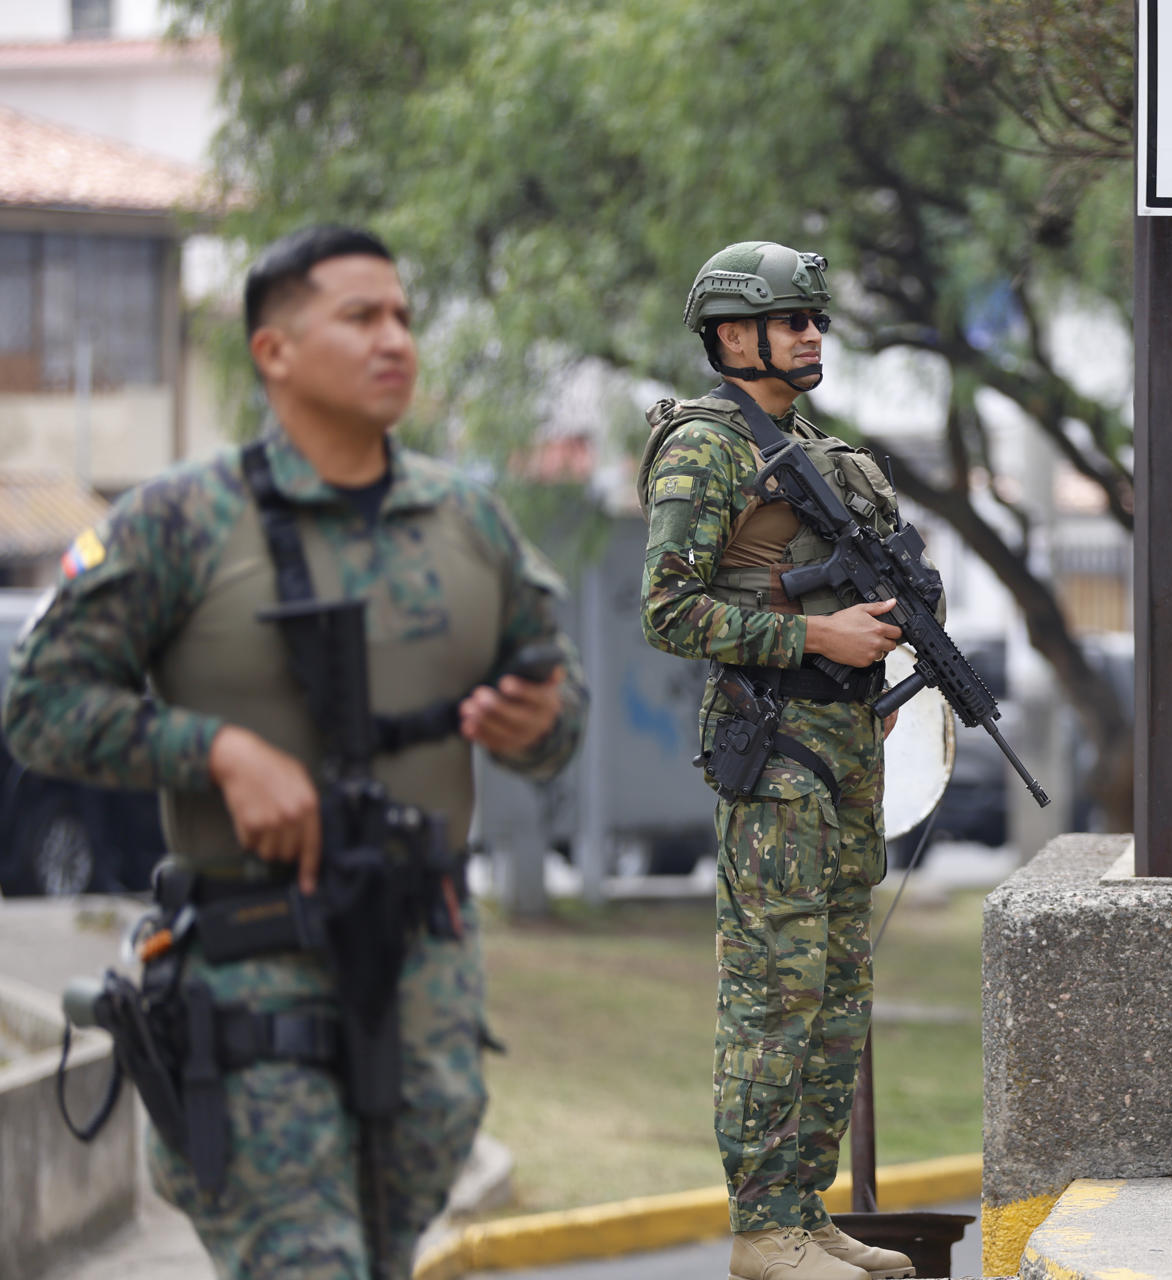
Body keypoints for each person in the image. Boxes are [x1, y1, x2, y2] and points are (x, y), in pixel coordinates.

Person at [3, 224, 588, 1275]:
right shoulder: (179, 519)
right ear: (274, 351)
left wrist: (541, 725)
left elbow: (558, 699)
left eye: (404, 316)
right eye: (361, 316)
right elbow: (36, 702)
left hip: (426, 958)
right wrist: (214, 748)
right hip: (248, 962)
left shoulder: (468, 520)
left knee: (382, 1252)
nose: (396, 339)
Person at [638, 241, 915, 1280]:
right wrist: (815, 640)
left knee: (839, 987)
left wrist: (871, 671)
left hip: (844, 743)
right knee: (774, 991)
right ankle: (761, 1227)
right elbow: (668, 610)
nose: (812, 334)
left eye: (816, 319)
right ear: (729, 334)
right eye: (791, 319)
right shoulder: (706, 448)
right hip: (778, 750)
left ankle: (805, 1206)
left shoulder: (816, 448)